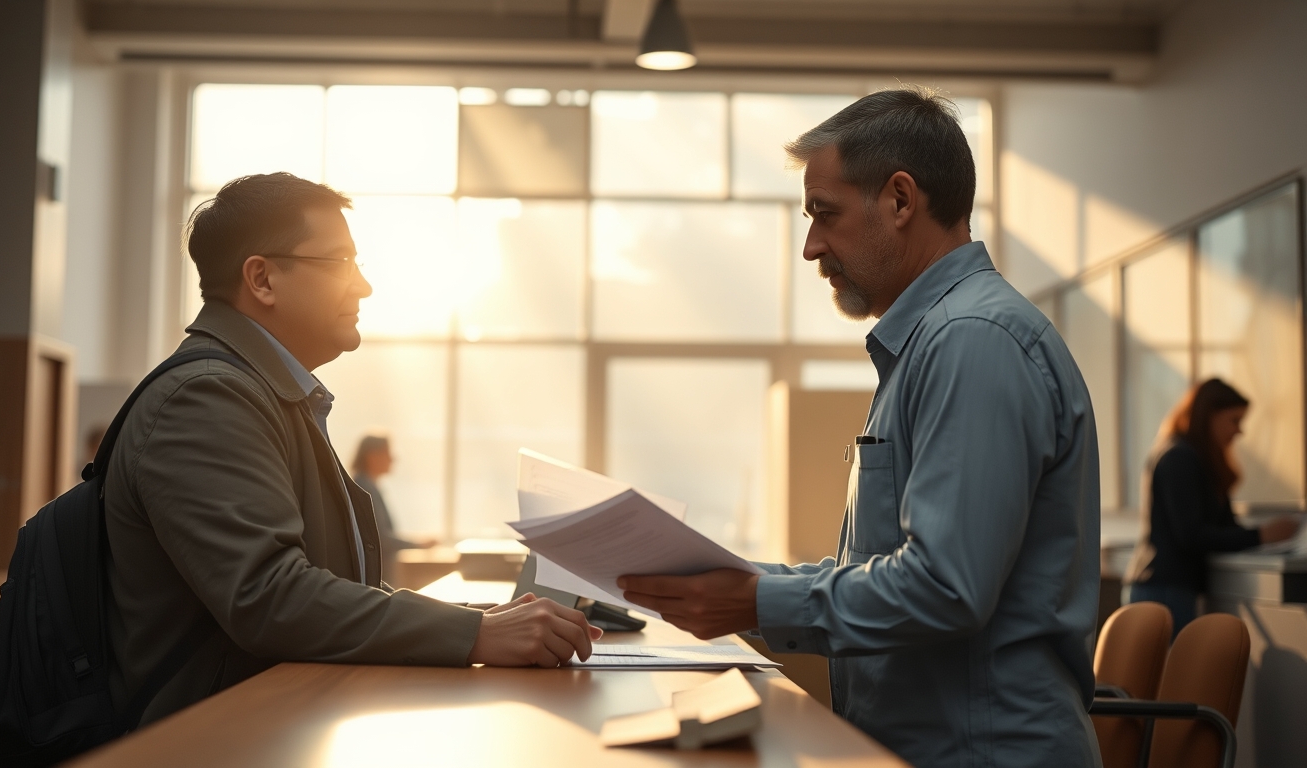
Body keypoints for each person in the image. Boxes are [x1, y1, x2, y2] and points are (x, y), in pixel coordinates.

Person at [618, 87, 1102, 767]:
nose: (812, 246)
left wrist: (756, 600)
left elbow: (944, 586)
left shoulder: (971, 342)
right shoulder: (935, 342)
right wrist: (734, 581)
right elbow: (888, 569)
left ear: (901, 201)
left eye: (826, 215)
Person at [104, 172, 599, 727]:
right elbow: (269, 599)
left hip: (269, 720)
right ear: (261, 278)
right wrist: (476, 634)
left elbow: (330, 584)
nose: (362, 286)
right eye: (340, 263)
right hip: (208, 740)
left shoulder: (267, 393)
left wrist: (475, 619)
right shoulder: (207, 398)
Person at [1124, 378, 1298, 634]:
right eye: (1234, 421)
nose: (1239, 432)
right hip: (1163, 590)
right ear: (1209, 417)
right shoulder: (1179, 458)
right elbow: (1191, 535)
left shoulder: (1202, 462)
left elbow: (1224, 527)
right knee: (1170, 672)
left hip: (1173, 589)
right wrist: (1263, 535)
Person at [350, 433, 436, 584]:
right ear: (372, 456)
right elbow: (380, 538)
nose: (393, 459)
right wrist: (418, 545)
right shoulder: (364, 489)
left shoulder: (369, 486)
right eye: (387, 453)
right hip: (375, 576)